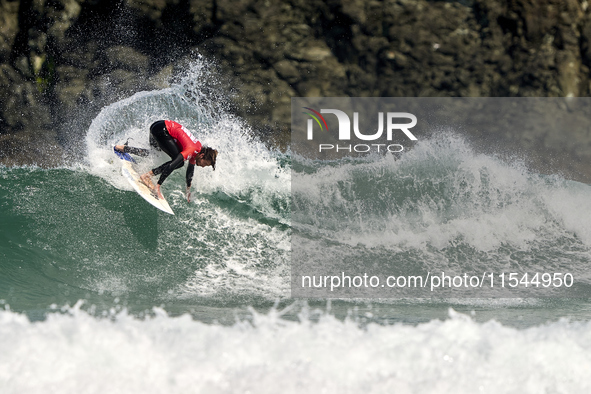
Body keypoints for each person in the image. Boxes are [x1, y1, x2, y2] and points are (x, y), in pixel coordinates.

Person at [114, 120, 217, 201]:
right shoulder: (192, 150)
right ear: (202, 156)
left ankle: (123, 148)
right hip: (162, 130)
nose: (203, 166)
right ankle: (146, 175)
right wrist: (158, 186)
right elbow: (172, 165)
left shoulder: (198, 150)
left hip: (157, 125)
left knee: (154, 153)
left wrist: (188, 189)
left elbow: (190, 170)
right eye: (205, 164)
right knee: (179, 162)